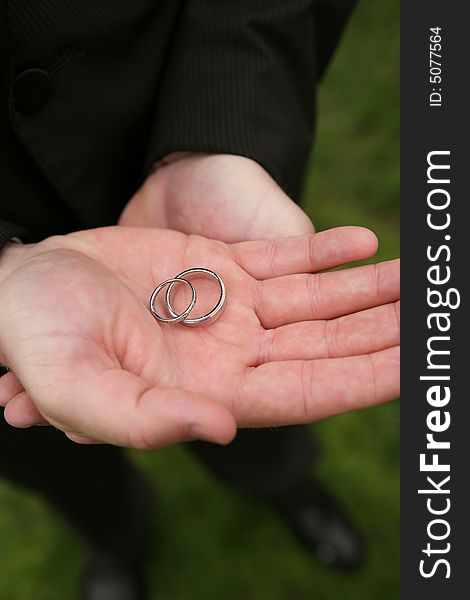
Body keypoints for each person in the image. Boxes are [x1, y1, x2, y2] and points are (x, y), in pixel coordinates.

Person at [0, 1, 399, 598]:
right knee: (52, 450)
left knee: (255, 391)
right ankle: (116, 541)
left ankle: (287, 486)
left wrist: (219, 138)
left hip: (168, 124)